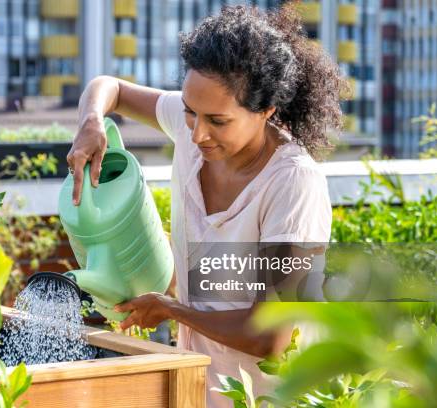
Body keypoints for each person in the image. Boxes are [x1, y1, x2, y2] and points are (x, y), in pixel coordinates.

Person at [67, 5, 344, 407]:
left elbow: (271, 335)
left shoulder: (293, 183)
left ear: (266, 111)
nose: (197, 134)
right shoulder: (192, 128)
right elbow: (110, 87)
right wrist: (90, 121)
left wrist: (172, 309)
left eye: (217, 120)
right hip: (198, 382)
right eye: (189, 112)